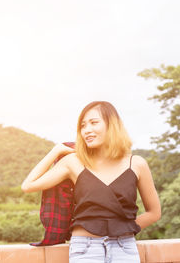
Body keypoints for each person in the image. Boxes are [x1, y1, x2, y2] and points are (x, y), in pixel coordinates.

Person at [21, 101, 161, 263]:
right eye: (83, 126)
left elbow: (154, 213)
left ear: (112, 125)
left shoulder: (137, 163)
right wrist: (56, 150)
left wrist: (124, 229)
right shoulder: (73, 162)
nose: (87, 130)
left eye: (94, 123)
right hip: (85, 249)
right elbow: (28, 185)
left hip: (125, 248)